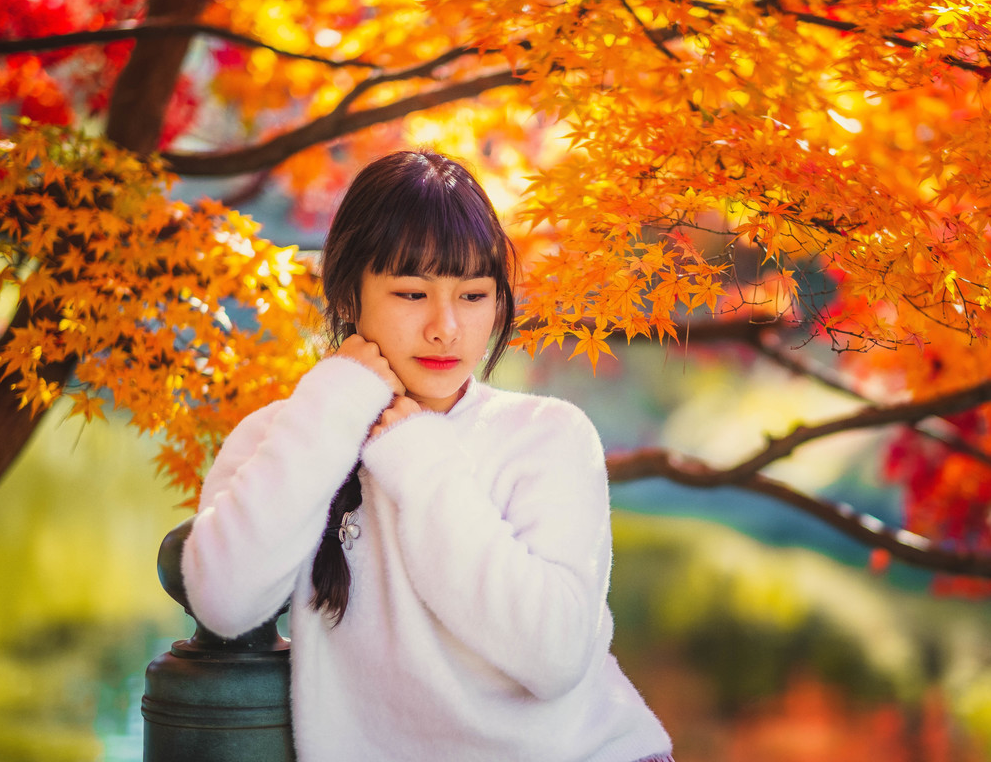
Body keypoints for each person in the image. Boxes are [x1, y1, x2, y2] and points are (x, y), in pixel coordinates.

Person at [181, 150, 674, 762]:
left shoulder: (549, 435)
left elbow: (554, 656)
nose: (446, 328)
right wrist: (336, 402)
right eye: (412, 293)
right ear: (347, 294)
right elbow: (223, 600)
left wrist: (414, 457)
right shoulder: (291, 433)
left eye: (472, 296)